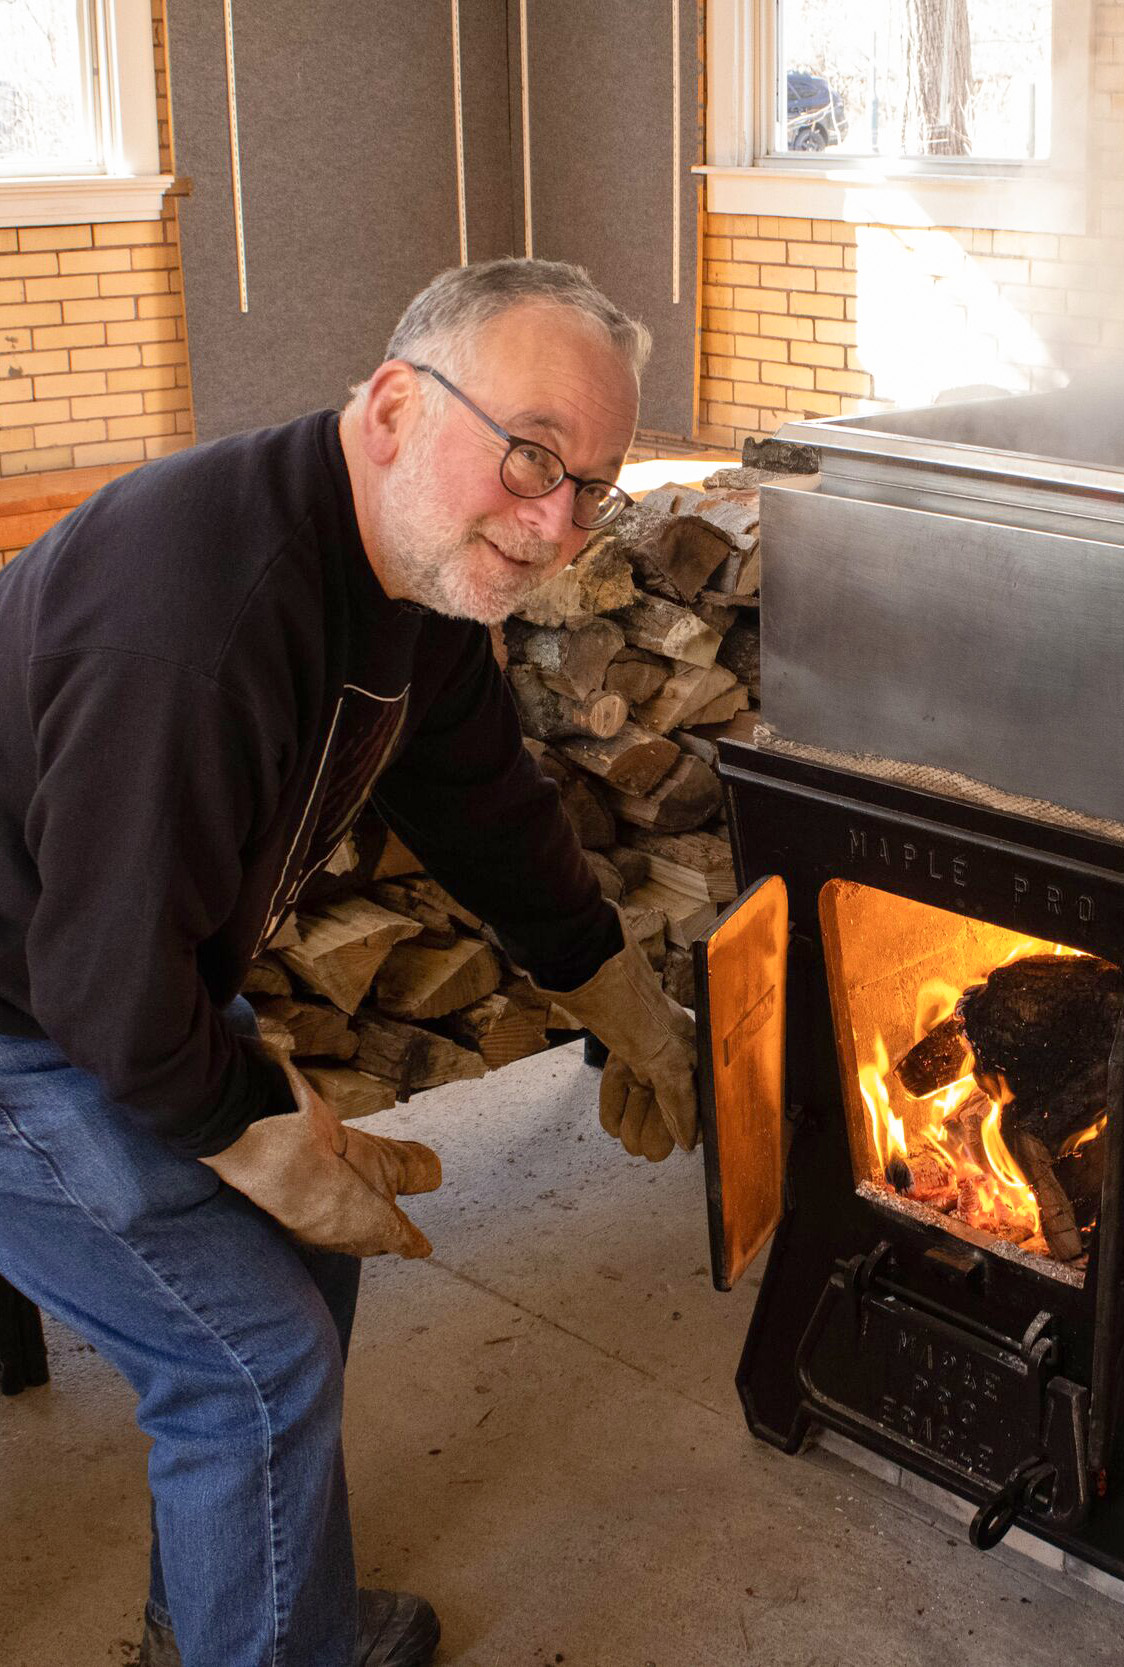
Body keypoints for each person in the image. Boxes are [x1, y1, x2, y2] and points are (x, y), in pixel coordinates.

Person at [0, 258, 699, 1667]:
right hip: (32, 1012)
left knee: (306, 1270)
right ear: (392, 408)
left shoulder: (406, 565)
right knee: (250, 1366)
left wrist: (611, 988)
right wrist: (247, 1126)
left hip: (102, 967)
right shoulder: (197, 618)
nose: (556, 523)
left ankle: (231, 1622)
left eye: (593, 487)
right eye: (530, 454)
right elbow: (108, 984)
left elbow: (482, 800)